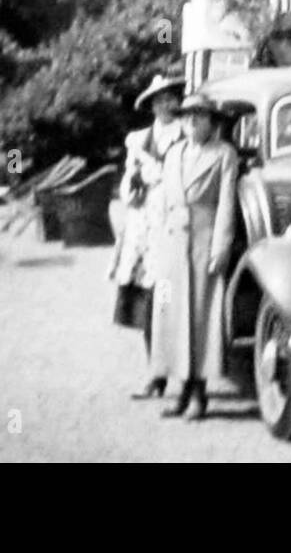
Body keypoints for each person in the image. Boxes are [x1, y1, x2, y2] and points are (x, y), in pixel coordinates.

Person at [149, 93, 239, 421]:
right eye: (186, 117)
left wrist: (220, 246)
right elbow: (163, 200)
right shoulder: (174, 154)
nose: (191, 122)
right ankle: (181, 390)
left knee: (201, 316)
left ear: (212, 122)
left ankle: (200, 392)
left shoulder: (224, 155)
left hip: (204, 239)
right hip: (174, 241)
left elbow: (227, 203)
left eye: (199, 117)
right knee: (172, 316)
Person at [108, 74, 184, 399]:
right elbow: (128, 180)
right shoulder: (138, 140)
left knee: (169, 299)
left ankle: (179, 373)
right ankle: (155, 375)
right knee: (146, 302)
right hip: (143, 226)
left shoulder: (185, 135)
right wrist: (132, 188)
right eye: (161, 99)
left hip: (170, 219)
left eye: (172, 97)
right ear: (152, 105)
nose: (168, 103)